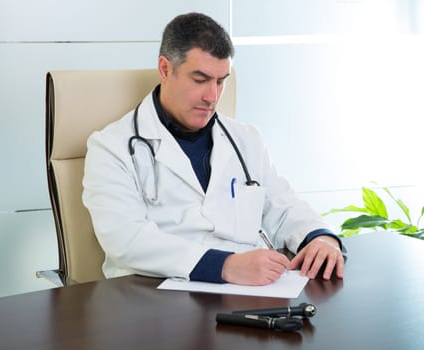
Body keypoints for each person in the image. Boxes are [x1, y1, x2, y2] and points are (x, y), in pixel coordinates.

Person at [82, 12, 344, 286]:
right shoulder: (112, 147)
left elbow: (283, 206)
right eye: (200, 79)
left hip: (246, 295)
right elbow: (125, 239)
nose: (212, 97)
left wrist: (319, 237)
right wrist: (224, 265)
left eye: (221, 81)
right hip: (154, 297)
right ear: (165, 68)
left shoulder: (246, 139)